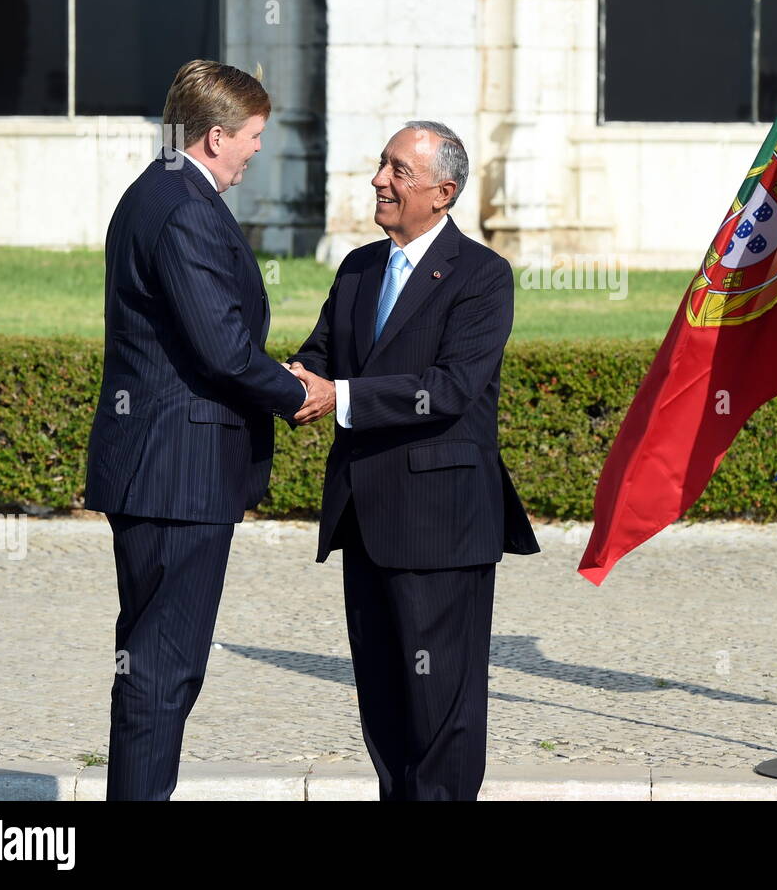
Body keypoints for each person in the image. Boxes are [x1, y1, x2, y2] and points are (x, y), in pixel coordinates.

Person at [85, 60, 326, 800]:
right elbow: (220, 347)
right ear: (216, 136)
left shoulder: (160, 189)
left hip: (164, 466)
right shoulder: (183, 204)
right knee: (164, 668)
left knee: (158, 665)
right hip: (177, 471)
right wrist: (298, 392)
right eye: (254, 136)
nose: (258, 149)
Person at [288, 119, 539, 801]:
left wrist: (337, 394)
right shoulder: (359, 268)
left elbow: (452, 389)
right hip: (364, 522)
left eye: (398, 170)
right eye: (381, 165)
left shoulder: (483, 277)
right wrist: (281, 381)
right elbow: (319, 357)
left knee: (441, 722)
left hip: (440, 529)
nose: (379, 180)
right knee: (387, 715)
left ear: (443, 191)